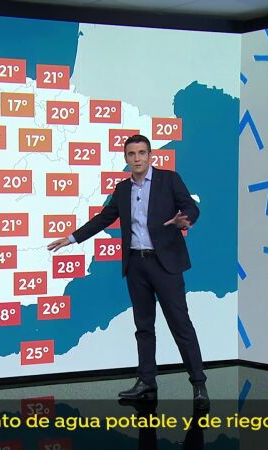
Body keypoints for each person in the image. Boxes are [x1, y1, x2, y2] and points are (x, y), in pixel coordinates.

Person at [47, 134, 209, 409]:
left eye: (142, 153)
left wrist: (185, 220)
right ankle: (146, 381)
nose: (137, 158)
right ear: (126, 158)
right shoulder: (123, 189)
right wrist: (72, 238)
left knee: (181, 325)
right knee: (143, 327)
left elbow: (191, 207)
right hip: (136, 265)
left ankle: (198, 384)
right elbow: (104, 218)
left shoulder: (169, 180)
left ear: (150, 156)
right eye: (132, 154)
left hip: (165, 264)